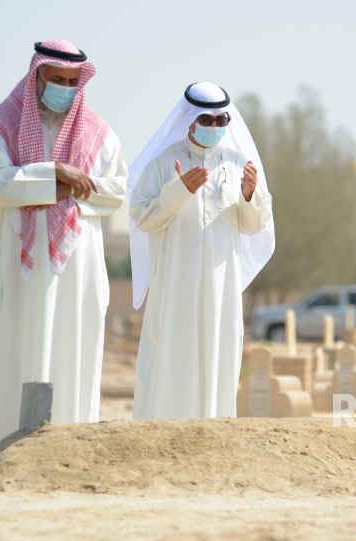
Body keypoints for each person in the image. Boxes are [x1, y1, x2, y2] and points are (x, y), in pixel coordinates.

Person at [0, 39, 127, 453]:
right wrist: (55, 174)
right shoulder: (2, 123)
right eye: (55, 78)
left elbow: (115, 192)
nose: (63, 86)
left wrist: (59, 187)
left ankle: (70, 453)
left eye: (70, 81)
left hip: (76, 267)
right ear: (36, 75)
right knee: (15, 349)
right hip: (18, 266)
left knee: (71, 349)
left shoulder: (98, 132)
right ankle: (2, 452)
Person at [127, 82, 274, 419]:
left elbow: (254, 225)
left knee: (218, 356)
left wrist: (250, 196)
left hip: (221, 289)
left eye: (221, 121)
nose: (214, 127)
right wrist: (176, 192)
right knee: (172, 355)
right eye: (207, 120)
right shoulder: (165, 163)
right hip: (176, 286)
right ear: (190, 119)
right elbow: (141, 217)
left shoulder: (240, 165)